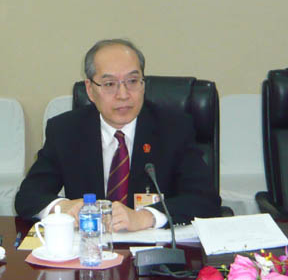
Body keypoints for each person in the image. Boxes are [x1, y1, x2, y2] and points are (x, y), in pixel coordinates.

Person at [15, 39, 220, 232]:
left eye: (132, 81)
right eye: (109, 84)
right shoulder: (65, 131)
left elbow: (205, 200)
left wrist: (146, 216)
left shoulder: (174, 128)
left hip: (154, 250)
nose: (123, 95)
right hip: (90, 249)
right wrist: (62, 207)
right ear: (90, 90)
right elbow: (28, 196)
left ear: (143, 84)